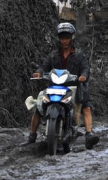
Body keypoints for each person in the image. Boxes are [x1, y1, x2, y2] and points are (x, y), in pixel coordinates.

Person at [23, 22, 100, 150]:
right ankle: (32, 136)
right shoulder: (53, 55)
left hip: (74, 87)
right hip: (55, 87)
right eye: (62, 37)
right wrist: (39, 72)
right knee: (38, 107)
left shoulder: (80, 55)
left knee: (86, 108)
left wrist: (83, 76)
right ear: (59, 39)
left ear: (72, 38)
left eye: (67, 37)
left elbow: (86, 68)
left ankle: (88, 135)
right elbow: (44, 66)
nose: (64, 40)